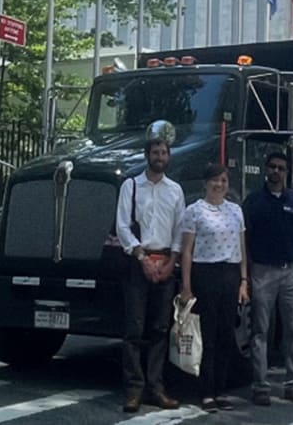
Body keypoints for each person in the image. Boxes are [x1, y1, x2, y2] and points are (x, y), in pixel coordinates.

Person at [117, 120, 185, 414]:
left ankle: (157, 388)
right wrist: (142, 258)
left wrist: (172, 262)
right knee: (134, 330)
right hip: (138, 264)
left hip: (166, 264)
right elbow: (122, 226)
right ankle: (134, 390)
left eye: (164, 152)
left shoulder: (176, 190)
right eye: (155, 152)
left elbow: (180, 229)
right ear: (147, 155)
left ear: (169, 157)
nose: (159, 157)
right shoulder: (131, 186)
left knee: (160, 329)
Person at [180, 163, 249, 413]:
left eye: (223, 181)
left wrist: (244, 281)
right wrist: (186, 286)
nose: (219, 185)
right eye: (215, 180)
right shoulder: (194, 211)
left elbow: (241, 248)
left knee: (225, 334)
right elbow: (187, 251)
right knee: (207, 336)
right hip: (205, 273)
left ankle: (222, 389)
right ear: (205, 183)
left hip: (230, 273)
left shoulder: (236, 211)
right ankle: (206, 391)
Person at [243, 151, 293, 406]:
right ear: (265, 169)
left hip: (291, 270)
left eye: (281, 168)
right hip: (262, 272)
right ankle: (260, 386)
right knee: (260, 330)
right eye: (272, 167)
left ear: (287, 172)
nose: (276, 171)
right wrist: (247, 273)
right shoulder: (253, 201)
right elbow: (244, 239)